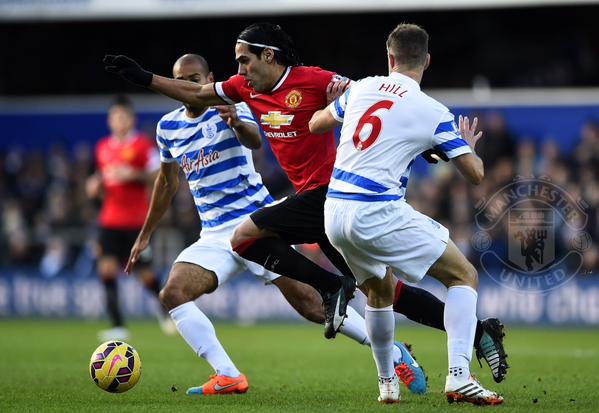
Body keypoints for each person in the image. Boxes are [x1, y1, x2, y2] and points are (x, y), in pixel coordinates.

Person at [102, 22, 508, 383]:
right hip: (317, 205)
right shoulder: (243, 90)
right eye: (236, 64)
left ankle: (336, 289)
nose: (239, 71)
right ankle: (476, 331)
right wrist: (145, 78)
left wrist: (434, 149)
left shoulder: (315, 81)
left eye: (245, 61)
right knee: (386, 293)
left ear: (269, 56)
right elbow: (196, 94)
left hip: (333, 195)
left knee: (248, 239)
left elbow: (387, 106)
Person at [124, 53, 427, 396]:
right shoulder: (168, 127)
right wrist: (145, 234)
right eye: (183, 79)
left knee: (313, 307)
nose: (190, 85)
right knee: (173, 293)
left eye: (196, 79)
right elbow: (166, 182)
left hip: (258, 225)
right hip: (213, 234)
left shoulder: (227, 106)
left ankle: (391, 350)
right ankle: (227, 375)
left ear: (208, 79)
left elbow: (254, 139)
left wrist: (237, 124)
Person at [309, 23, 503, 405]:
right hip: (375, 210)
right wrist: (463, 146)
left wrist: (338, 105)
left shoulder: (361, 88)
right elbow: (476, 174)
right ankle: (459, 376)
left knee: (379, 292)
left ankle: (386, 384)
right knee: (463, 275)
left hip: (335, 212)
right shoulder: (432, 111)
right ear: (427, 61)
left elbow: (316, 123)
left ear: (389, 58)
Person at [86, 96, 175, 341]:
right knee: (106, 269)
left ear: (131, 119)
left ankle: (166, 314)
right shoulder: (103, 147)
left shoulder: (142, 145)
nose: (118, 121)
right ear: (109, 121)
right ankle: (118, 326)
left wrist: (133, 174)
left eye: (122, 117)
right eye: (114, 117)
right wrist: (94, 185)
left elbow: (159, 175)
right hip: (109, 220)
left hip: (137, 221)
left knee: (145, 274)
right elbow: (100, 178)